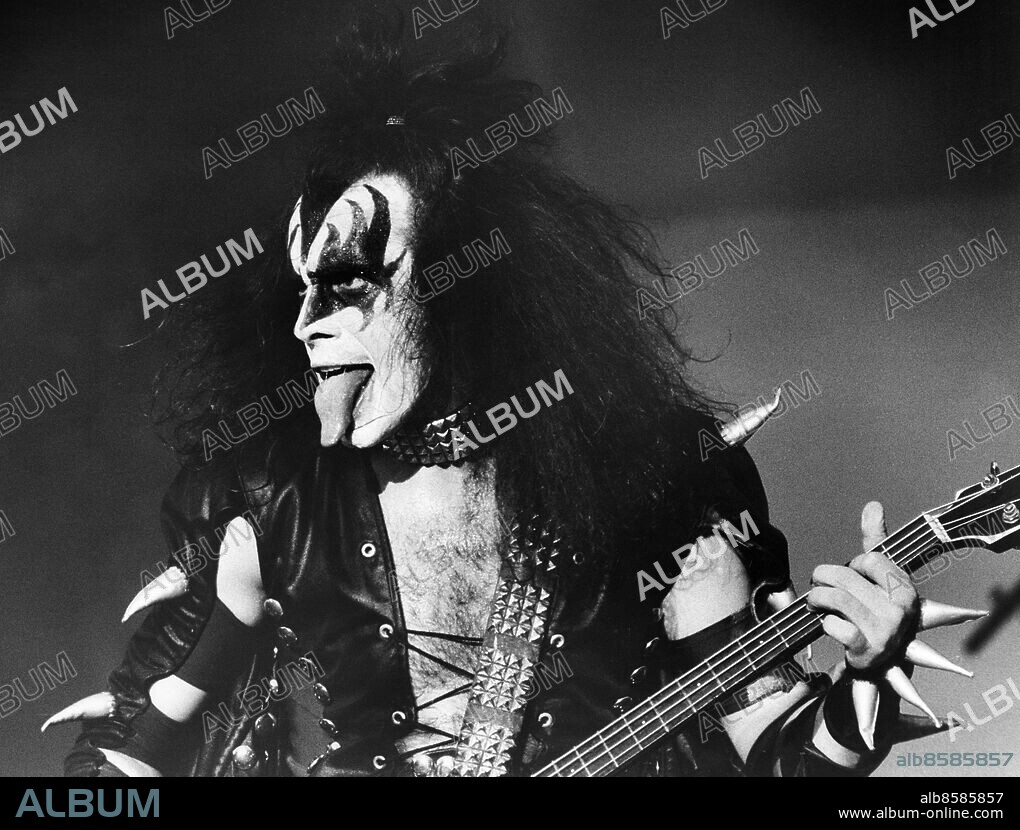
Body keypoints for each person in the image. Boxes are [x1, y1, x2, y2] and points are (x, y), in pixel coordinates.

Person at [58, 14, 931, 777]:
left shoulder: (659, 487)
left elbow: (778, 754)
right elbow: (130, 747)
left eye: (350, 283)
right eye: (303, 287)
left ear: (463, 282)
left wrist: (869, 678)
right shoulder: (269, 500)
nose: (307, 324)